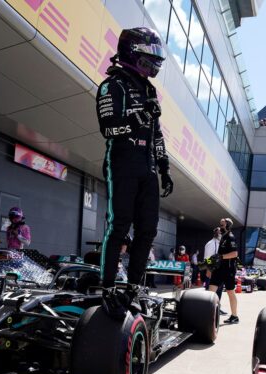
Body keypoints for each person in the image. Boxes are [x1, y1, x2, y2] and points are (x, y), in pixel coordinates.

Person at [96, 27, 172, 316]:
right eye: (150, 57)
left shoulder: (149, 89)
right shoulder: (112, 85)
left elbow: (157, 133)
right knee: (119, 225)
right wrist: (137, 117)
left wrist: (164, 167)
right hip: (122, 161)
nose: (155, 64)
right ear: (133, 53)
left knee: (148, 230)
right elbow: (108, 127)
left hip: (148, 166)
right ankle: (108, 286)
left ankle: (133, 286)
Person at [208, 218, 240, 324]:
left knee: (230, 292)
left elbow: (235, 254)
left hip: (229, 270)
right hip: (219, 269)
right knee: (210, 292)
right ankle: (206, 314)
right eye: (220, 225)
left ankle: (234, 316)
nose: (220, 227)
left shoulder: (231, 237)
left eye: (222, 225)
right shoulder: (223, 238)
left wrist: (221, 256)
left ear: (228, 226)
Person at [203, 227, 225, 313]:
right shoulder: (211, 244)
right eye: (219, 233)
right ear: (215, 233)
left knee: (219, 291)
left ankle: (217, 308)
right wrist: (209, 270)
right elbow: (207, 259)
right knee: (211, 292)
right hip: (213, 271)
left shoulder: (221, 243)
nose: (221, 234)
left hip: (220, 271)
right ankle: (208, 309)